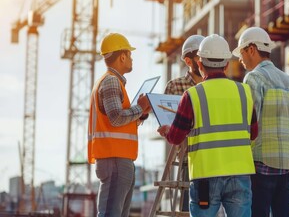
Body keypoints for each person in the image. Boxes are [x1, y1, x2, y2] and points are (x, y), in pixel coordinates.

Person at [157, 34, 259, 216]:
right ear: (227, 64)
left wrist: (167, 131)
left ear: (200, 64)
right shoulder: (244, 92)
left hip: (205, 176)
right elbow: (253, 133)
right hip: (240, 173)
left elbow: (175, 137)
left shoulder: (191, 96)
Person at [233, 27, 289, 217]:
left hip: (262, 163)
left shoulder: (254, 78)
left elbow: (249, 123)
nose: (240, 59)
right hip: (287, 163)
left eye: (242, 52)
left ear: (252, 49)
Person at [87, 33, 151, 217]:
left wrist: (142, 113)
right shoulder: (111, 82)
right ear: (122, 56)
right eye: (129, 55)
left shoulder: (112, 82)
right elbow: (116, 118)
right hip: (114, 159)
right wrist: (140, 108)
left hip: (118, 159)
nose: (131, 59)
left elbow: (117, 121)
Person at [163, 34, 204, 212]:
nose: (205, 60)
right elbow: (172, 129)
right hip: (188, 161)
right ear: (188, 61)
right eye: (200, 57)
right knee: (188, 211)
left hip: (213, 159)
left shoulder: (214, 86)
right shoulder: (175, 87)